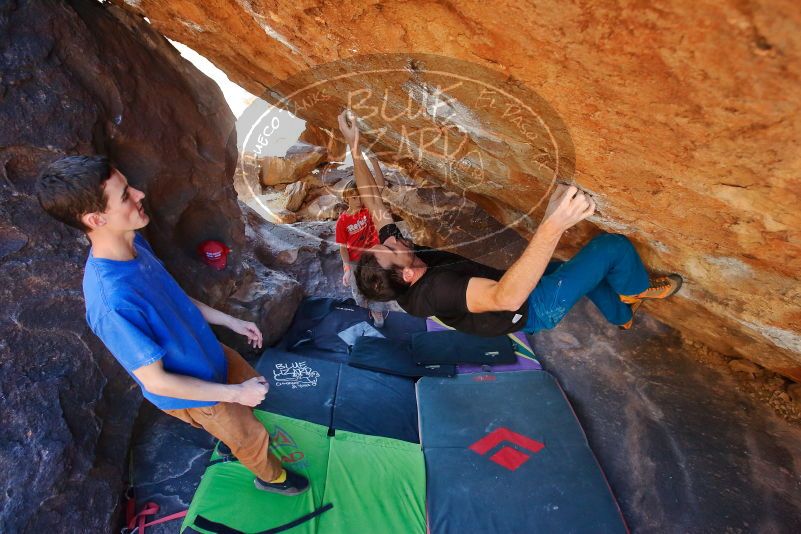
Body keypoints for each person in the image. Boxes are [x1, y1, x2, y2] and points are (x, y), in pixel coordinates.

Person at [36, 155, 308, 495]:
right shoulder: (112, 302)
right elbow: (158, 382)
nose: (140, 194)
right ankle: (272, 478)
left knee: (251, 390)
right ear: (96, 218)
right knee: (249, 436)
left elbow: (174, 299)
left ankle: (236, 423)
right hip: (194, 388)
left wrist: (230, 321)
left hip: (208, 352)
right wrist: (235, 394)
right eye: (125, 195)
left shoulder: (134, 243)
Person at [337, 110, 682, 335]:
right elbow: (507, 298)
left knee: (576, 271)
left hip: (507, 285)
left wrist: (355, 148)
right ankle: (635, 289)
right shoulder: (437, 290)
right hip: (532, 306)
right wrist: (553, 223)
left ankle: (622, 317)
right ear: (408, 275)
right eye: (391, 247)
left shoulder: (400, 271)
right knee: (612, 247)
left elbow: (375, 205)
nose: (393, 238)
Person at [336, 159, 394, 327]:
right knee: (358, 290)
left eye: (360, 196)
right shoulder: (343, 221)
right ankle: (363, 310)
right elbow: (343, 248)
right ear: (347, 198)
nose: (358, 200)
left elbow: (380, 186)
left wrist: (375, 162)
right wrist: (346, 269)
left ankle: (376, 310)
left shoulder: (367, 210)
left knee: (377, 285)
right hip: (355, 261)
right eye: (354, 197)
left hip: (372, 256)